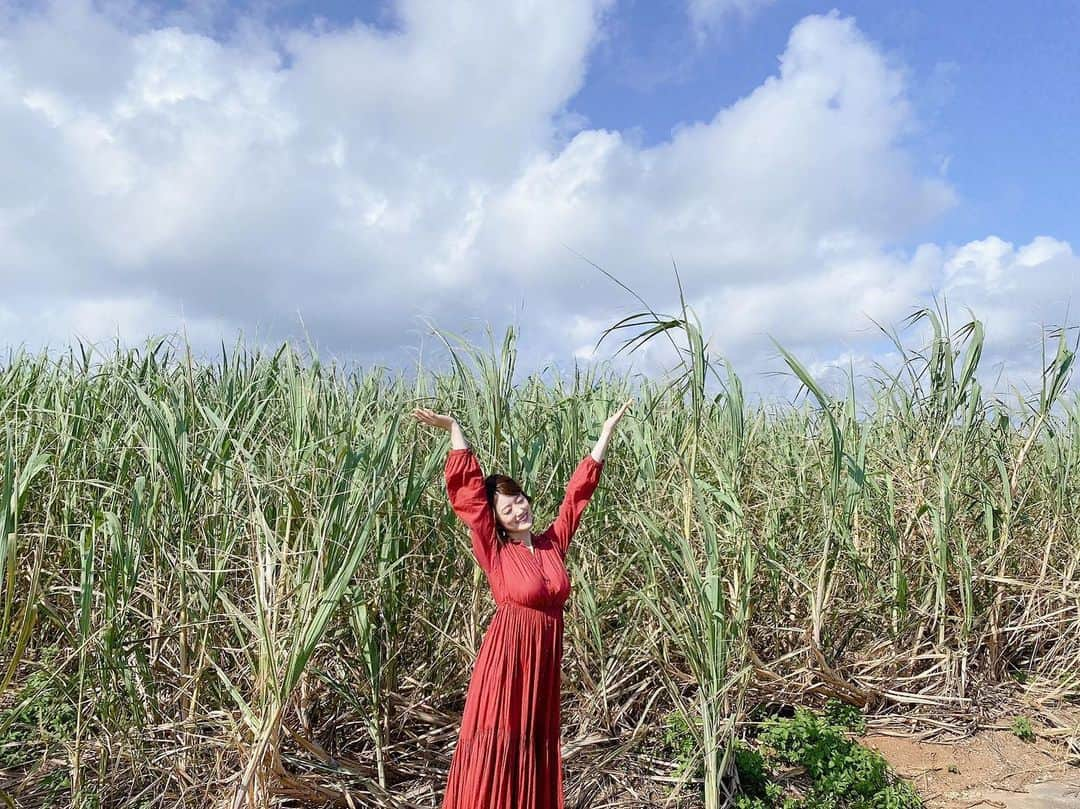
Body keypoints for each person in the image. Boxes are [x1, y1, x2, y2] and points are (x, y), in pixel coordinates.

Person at [411, 398, 633, 809]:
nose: (518, 508)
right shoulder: (494, 551)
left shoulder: (552, 545)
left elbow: (577, 497)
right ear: (497, 520)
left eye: (520, 499)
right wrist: (454, 430)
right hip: (507, 661)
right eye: (507, 506)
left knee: (532, 739)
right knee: (499, 735)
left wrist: (604, 435)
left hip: (543, 663)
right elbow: (471, 501)